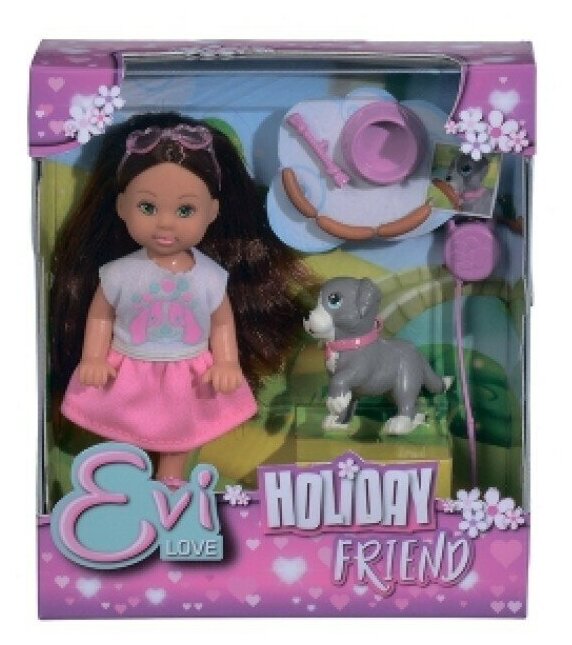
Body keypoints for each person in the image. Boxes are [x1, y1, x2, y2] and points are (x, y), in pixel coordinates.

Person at [50, 112, 312, 487]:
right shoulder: (119, 273)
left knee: (181, 429)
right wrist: (93, 357)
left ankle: (170, 478)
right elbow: (101, 316)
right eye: (148, 208)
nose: (166, 223)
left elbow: (222, 322)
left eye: (185, 210)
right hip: (130, 365)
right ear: (122, 207)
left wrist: (226, 362)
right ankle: (125, 472)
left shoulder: (209, 276)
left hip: (187, 370)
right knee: (123, 423)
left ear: (212, 213)